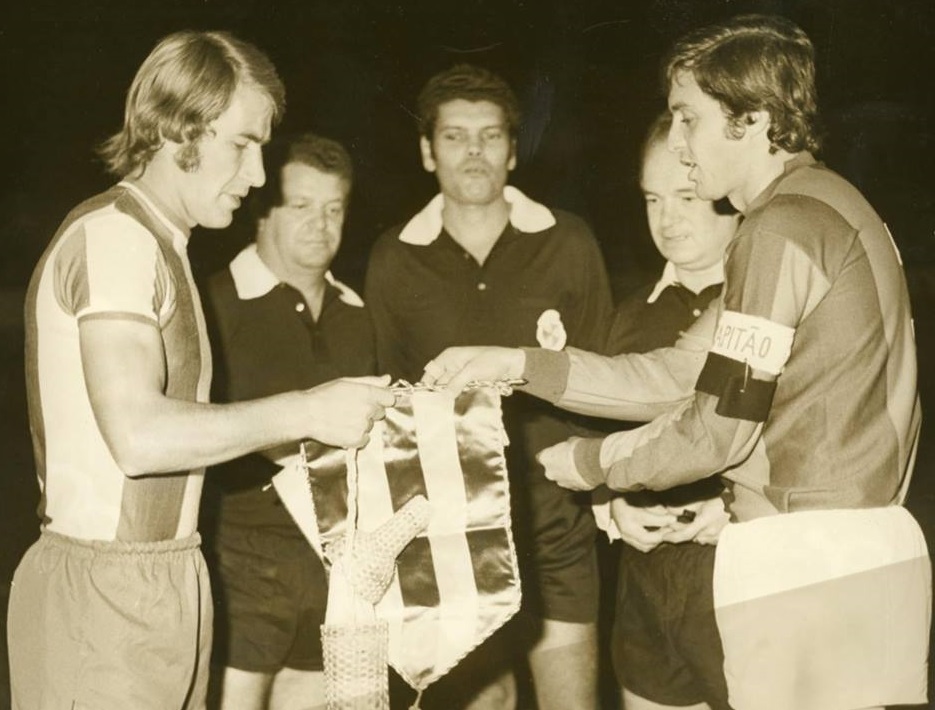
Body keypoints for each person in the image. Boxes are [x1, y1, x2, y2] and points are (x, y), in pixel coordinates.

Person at [423, 14, 928, 710]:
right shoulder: (826, 207)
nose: (679, 143)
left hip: (807, 557)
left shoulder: (780, 228)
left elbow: (720, 426)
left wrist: (592, 464)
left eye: (688, 118)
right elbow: (675, 374)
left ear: (751, 120)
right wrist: (514, 362)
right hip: (849, 551)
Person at [11, 32, 394, 710]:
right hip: (105, 590)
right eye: (243, 145)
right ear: (178, 127)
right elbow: (139, 438)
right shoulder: (114, 239)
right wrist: (308, 410)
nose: (258, 175)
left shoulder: (164, 246)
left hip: (169, 575)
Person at [364, 63, 613, 710]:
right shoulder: (394, 258)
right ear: (427, 151)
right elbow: (391, 406)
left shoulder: (568, 242)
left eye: (489, 135)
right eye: (454, 136)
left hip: (558, 524)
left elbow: (608, 383)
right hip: (456, 536)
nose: (473, 151)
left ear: (512, 149)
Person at [201, 132, 373, 710]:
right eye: (301, 205)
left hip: (329, 571)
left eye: (334, 209)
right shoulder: (213, 306)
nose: (320, 225)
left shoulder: (358, 315)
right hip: (235, 565)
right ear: (263, 211)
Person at [598, 111, 737, 710]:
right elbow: (599, 442)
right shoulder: (630, 316)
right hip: (649, 603)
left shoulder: (775, 306)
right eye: (653, 199)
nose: (667, 218)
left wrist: (737, 510)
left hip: (743, 591)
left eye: (686, 196)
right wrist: (612, 507)